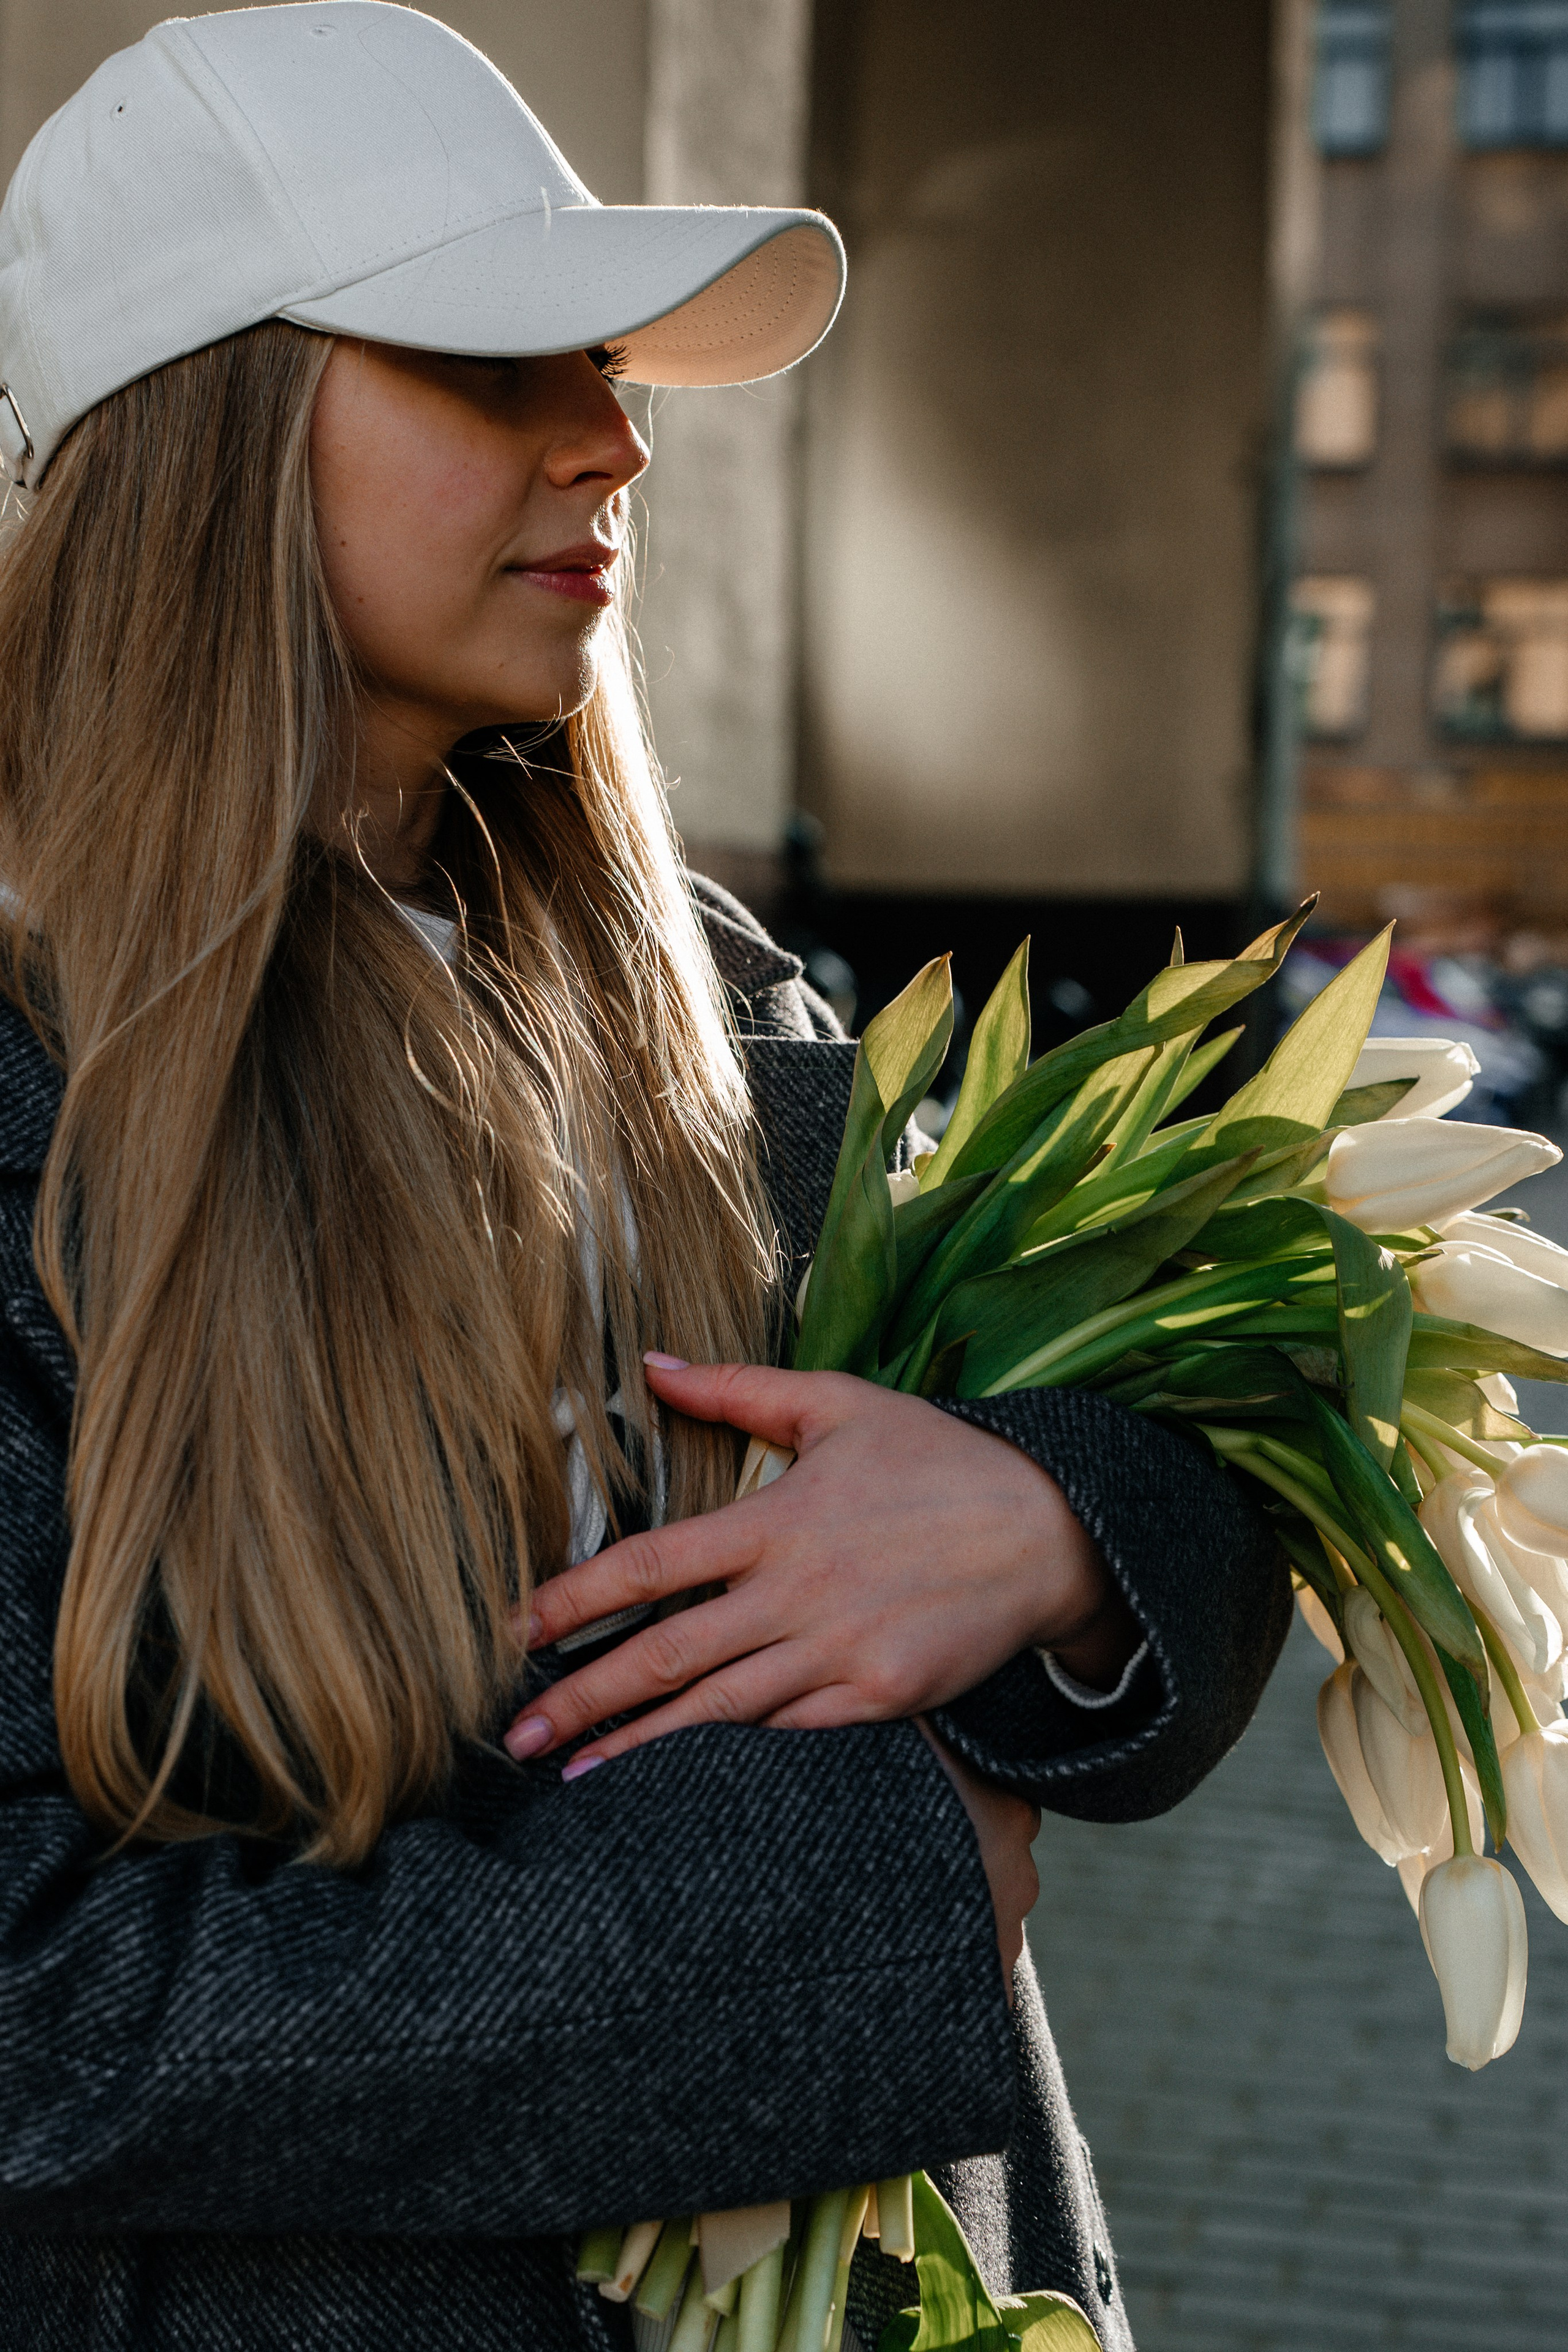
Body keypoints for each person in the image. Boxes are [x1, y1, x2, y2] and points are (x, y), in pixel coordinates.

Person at [0, 9, 1289, 2350]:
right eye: (490, 359)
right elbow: (43, 2018)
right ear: (205, 429)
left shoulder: (702, 987)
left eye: (600, 362)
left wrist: (1057, 1528)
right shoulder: (30, 1098)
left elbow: (1195, 1443)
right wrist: (831, 1914)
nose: (615, 436)